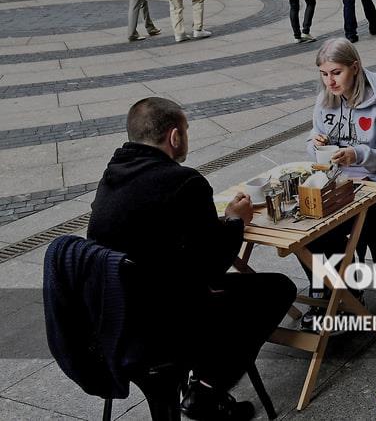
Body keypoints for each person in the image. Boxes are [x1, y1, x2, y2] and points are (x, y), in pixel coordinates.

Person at [88, 97, 296, 421]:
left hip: (111, 318)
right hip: (165, 322)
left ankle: (201, 382)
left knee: (213, 290)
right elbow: (212, 265)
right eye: (185, 130)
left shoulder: (111, 176)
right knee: (277, 288)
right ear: (174, 136)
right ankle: (206, 390)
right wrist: (235, 221)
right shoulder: (184, 182)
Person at [304, 39, 376, 328]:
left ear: (355, 67)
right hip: (340, 184)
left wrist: (359, 154)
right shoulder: (325, 100)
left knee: (331, 231)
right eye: (324, 74)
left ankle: (345, 297)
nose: (330, 81)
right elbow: (314, 146)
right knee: (306, 229)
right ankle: (327, 293)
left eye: (336, 73)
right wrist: (316, 144)